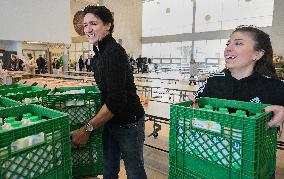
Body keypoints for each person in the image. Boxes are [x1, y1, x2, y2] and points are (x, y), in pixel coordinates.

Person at [71, 5, 147, 179]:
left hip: (130, 123)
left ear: (108, 25)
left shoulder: (114, 52)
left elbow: (115, 100)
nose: (88, 29)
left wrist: (86, 129)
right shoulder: (98, 54)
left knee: (134, 170)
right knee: (108, 169)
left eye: (93, 24)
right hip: (110, 122)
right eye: (85, 25)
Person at [193, 25, 284, 130]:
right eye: (228, 44)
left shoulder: (275, 87)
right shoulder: (214, 80)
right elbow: (194, 102)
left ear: (258, 54)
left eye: (238, 43)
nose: (228, 48)